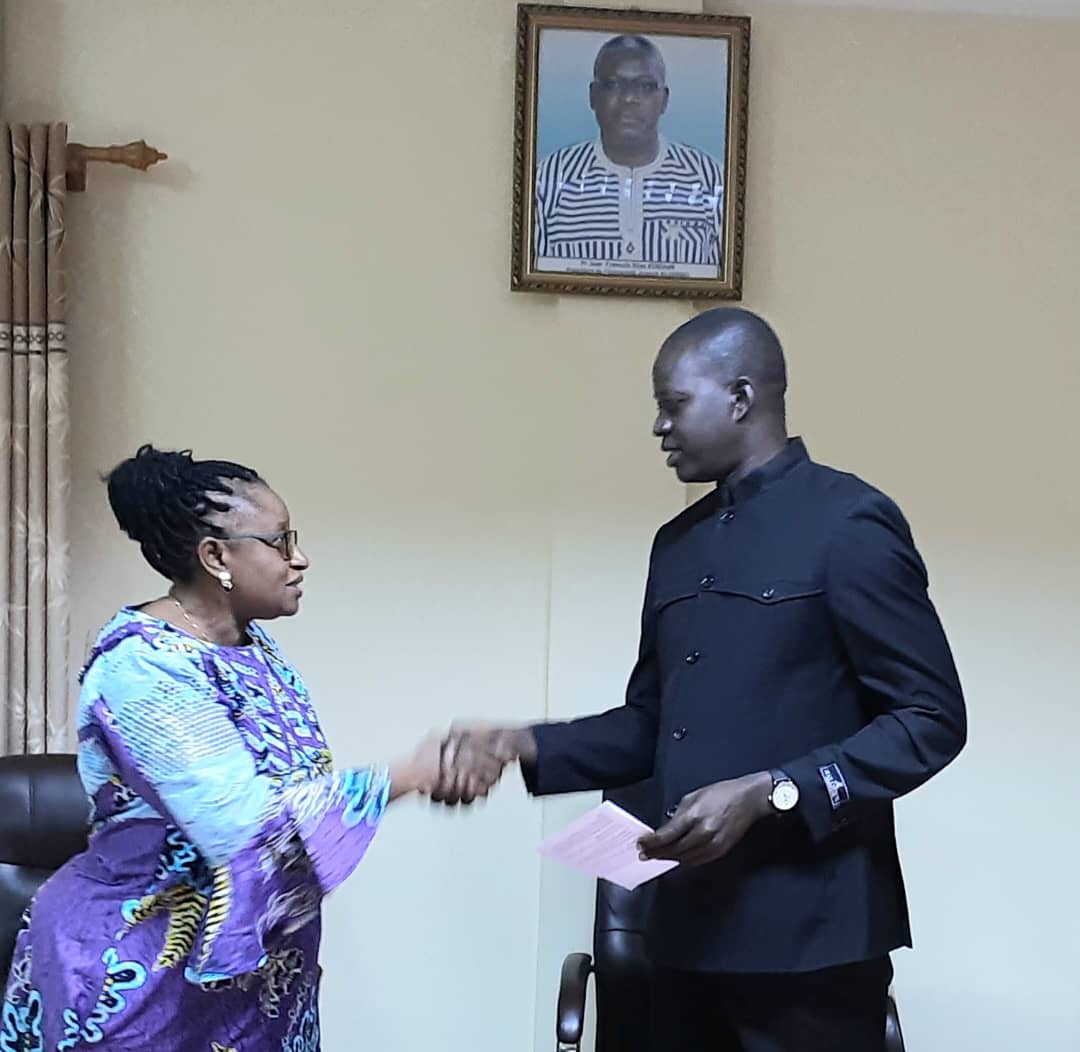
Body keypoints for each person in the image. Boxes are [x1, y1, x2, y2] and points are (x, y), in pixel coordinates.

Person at [438, 308, 967, 1051]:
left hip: (810, 949)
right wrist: (521, 743)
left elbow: (931, 717)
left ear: (741, 398)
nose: (659, 426)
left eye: (673, 403)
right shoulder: (678, 545)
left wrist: (772, 791)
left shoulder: (848, 523)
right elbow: (652, 725)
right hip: (685, 936)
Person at [0, 445, 455, 1052]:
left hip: (255, 989)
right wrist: (407, 776)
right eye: (281, 540)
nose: (301, 559)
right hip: (141, 986)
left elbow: (289, 790)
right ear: (216, 556)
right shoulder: (145, 670)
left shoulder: (253, 646)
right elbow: (243, 827)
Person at [534, 35, 725, 277]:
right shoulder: (549, 179)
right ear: (593, 96)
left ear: (664, 100)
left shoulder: (711, 180)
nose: (629, 99)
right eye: (613, 85)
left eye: (645, 87)